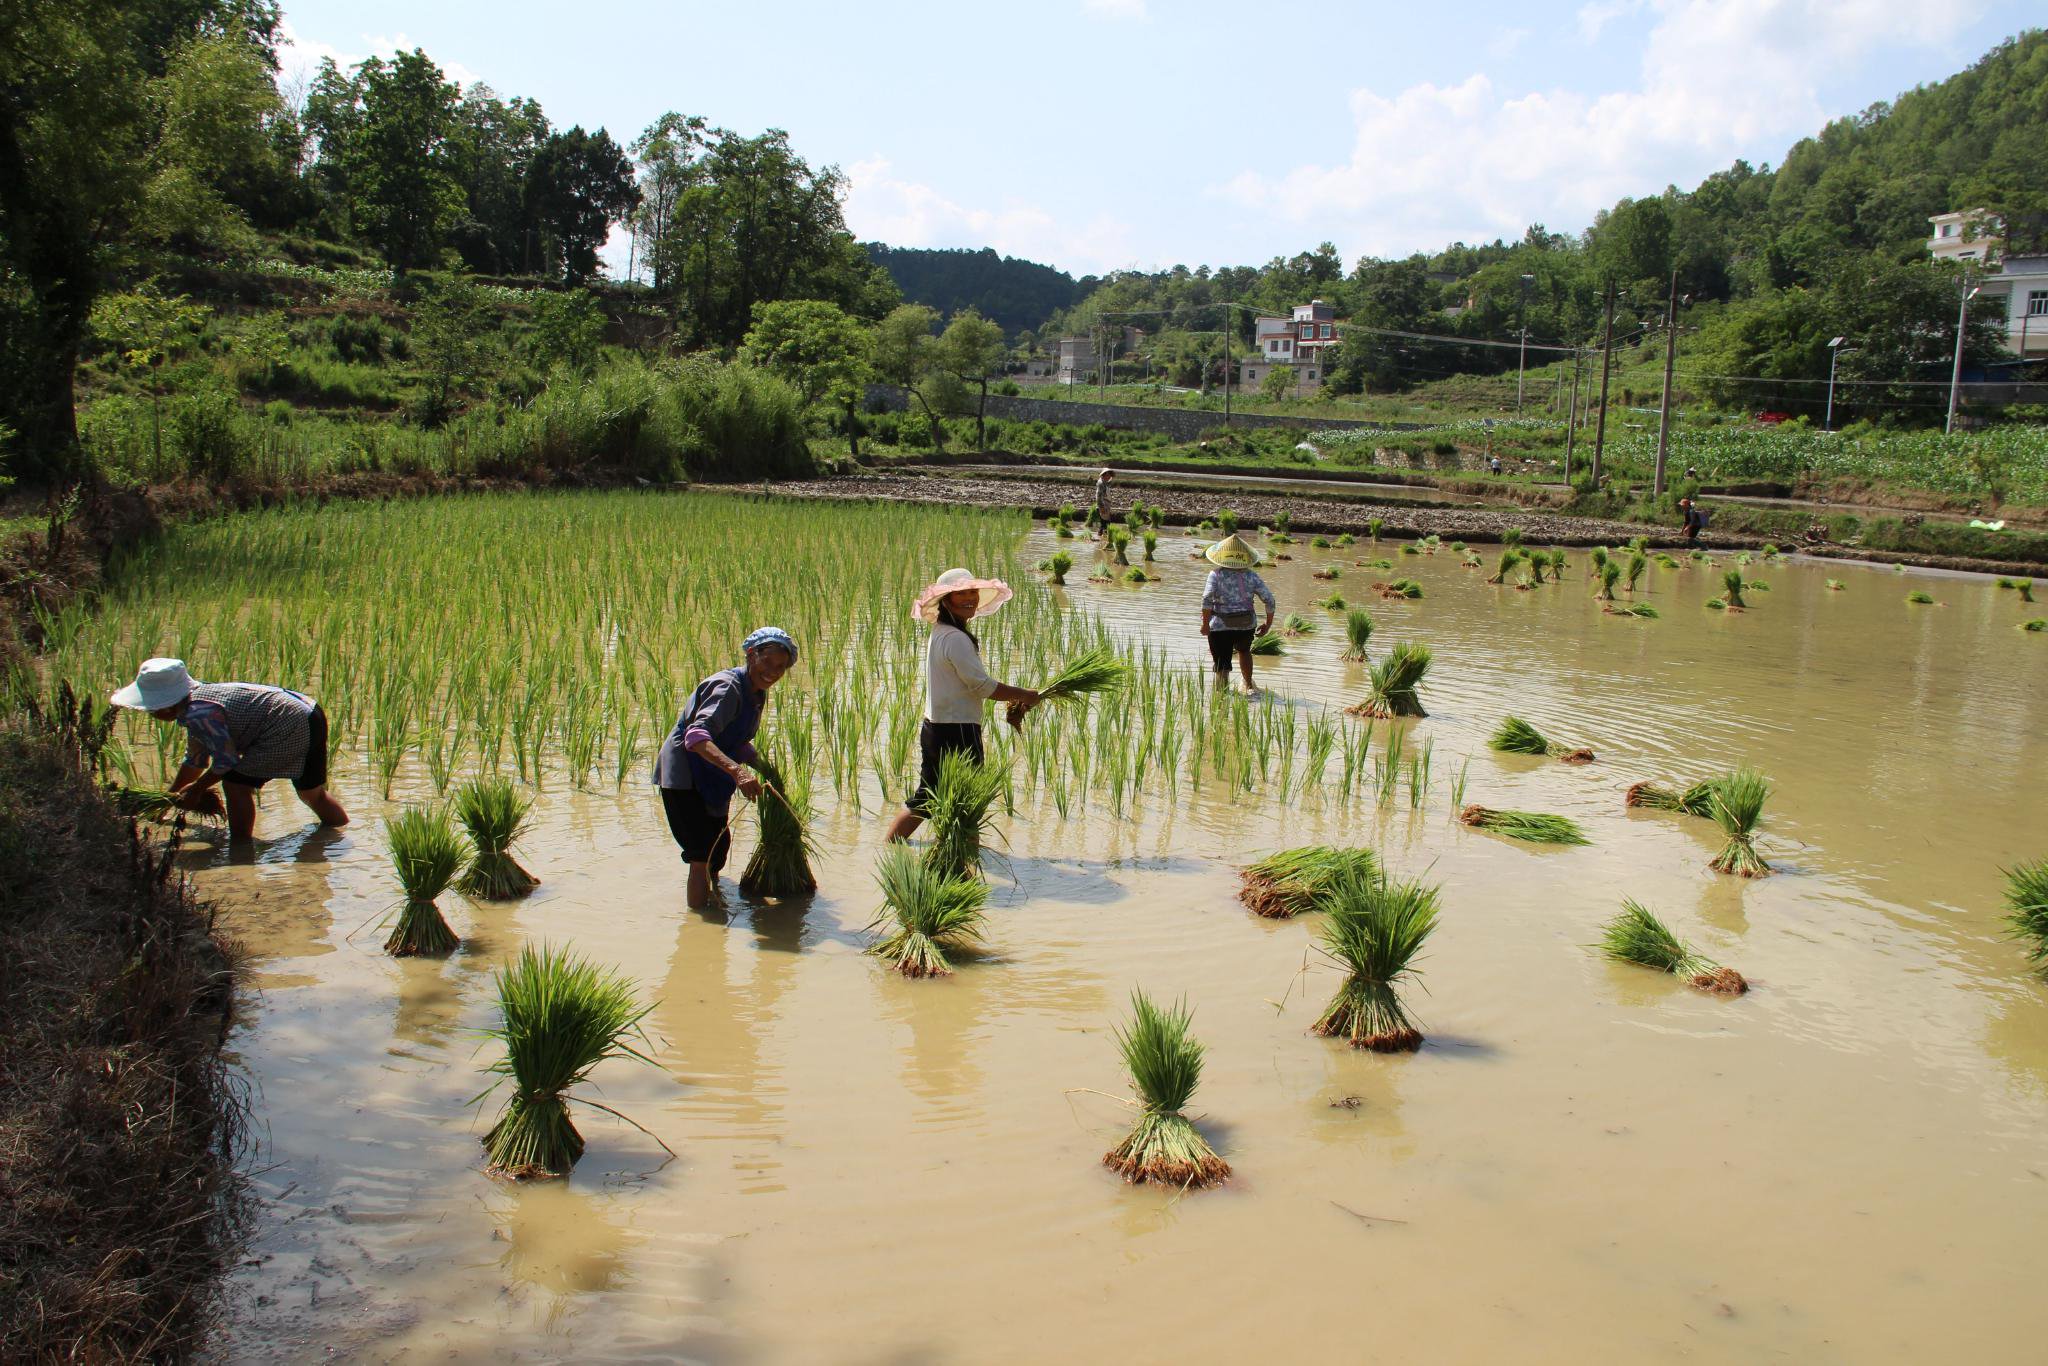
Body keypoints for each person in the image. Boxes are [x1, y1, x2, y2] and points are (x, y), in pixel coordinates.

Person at [110, 657, 347, 840]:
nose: (151, 714)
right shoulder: (195, 703)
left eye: (152, 709)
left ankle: (241, 847)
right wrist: (170, 798)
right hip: (309, 712)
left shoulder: (199, 713)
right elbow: (195, 760)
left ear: (167, 707)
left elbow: (226, 761)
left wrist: (197, 789)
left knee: (235, 784)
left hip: (287, 724)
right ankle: (339, 835)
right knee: (310, 792)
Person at [884, 568, 1039, 843]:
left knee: (928, 797)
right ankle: (963, 858)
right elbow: (981, 686)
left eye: (972, 592)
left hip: (937, 726)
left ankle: (897, 849)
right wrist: (1024, 694)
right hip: (957, 731)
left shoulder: (942, 632)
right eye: (961, 594)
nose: (970, 598)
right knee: (965, 800)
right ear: (946, 600)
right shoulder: (955, 638)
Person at [654, 627, 798, 910]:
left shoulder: (756, 692)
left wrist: (763, 766)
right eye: (766, 661)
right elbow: (695, 737)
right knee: (700, 854)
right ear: (750, 655)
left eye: (780, 666)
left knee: (717, 848)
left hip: (712, 773)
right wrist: (739, 772)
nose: (772, 671)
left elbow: (736, 738)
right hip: (685, 775)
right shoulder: (728, 687)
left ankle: (714, 899)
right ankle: (702, 931)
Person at [1199, 533, 1277, 695]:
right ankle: (1249, 686)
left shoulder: (1215, 575)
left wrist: (1205, 624)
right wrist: (1267, 624)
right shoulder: (1252, 576)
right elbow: (1269, 599)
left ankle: (1221, 696)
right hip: (1246, 624)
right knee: (1244, 650)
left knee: (1222, 663)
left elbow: (1207, 598)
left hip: (1220, 626)